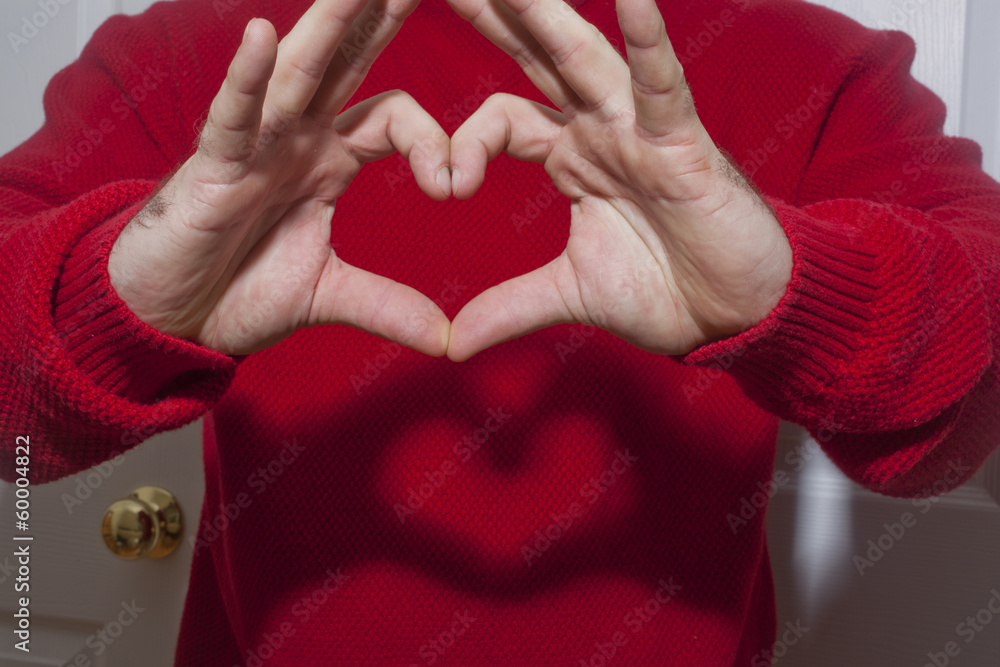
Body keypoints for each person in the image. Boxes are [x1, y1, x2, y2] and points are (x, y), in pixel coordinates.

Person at [2, 0, 999, 663]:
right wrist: (111, 309)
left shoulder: (804, 60)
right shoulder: (203, 52)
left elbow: (964, 413)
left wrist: (798, 292)